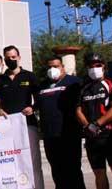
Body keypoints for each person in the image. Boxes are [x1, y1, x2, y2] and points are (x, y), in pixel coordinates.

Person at [76, 53, 112, 189]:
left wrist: (97, 124)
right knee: (99, 173)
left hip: (110, 135)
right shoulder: (83, 88)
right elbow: (78, 110)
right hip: (92, 137)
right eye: (91, 66)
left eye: (97, 65)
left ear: (103, 66)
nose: (94, 68)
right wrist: (88, 126)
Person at [0, 45, 44, 189]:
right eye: (7, 58)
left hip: (28, 124)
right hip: (8, 127)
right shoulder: (1, 79)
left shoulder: (29, 76)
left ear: (19, 57)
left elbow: (39, 98)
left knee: (33, 161)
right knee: (13, 162)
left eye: (13, 57)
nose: (10, 60)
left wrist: (33, 108)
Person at [36, 55, 85, 189]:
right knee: (57, 170)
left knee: (73, 170)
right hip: (50, 136)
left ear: (62, 67)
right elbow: (37, 106)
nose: (52, 69)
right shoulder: (42, 85)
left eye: (56, 66)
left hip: (69, 134)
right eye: (50, 67)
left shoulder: (74, 82)